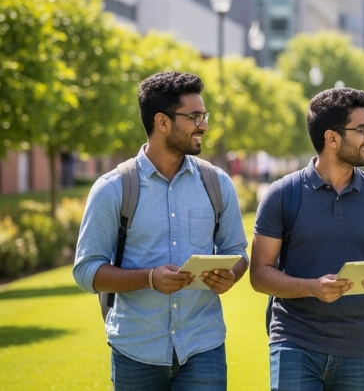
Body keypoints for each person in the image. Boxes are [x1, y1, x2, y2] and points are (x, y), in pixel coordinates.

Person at [73, 71, 249, 391]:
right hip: (135, 348)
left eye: (204, 115)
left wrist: (231, 274)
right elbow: (86, 270)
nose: (204, 125)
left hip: (203, 345)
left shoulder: (217, 183)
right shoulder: (112, 189)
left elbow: (236, 251)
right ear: (162, 122)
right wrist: (149, 278)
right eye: (195, 116)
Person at [250, 87, 364, 391]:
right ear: (331, 138)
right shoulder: (283, 194)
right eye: (362, 130)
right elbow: (259, 275)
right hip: (294, 342)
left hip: (358, 346)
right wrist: (312, 288)